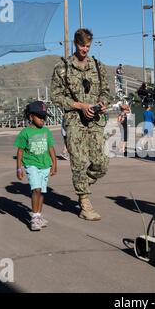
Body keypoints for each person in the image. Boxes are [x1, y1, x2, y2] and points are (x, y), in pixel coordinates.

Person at [50, 28, 110, 221]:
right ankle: (85, 202)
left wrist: (103, 102)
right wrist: (79, 105)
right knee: (79, 163)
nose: (85, 49)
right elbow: (55, 96)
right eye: (82, 45)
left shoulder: (97, 66)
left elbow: (106, 91)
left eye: (88, 46)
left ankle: (83, 185)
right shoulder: (63, 68)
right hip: (75, 121)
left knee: (101, 164)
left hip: (95, 120)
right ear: (75, 44)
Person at [15, 101, 57, 231]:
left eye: (44, 117)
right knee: (36, 189)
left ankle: (38, 215)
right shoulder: (25, 132)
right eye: (39, 116)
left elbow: (51, 148)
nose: (42, 120)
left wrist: (54, 164)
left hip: (45, 165)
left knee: (42, 192)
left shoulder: (46, 131)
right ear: (31, 116)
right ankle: (34, 219)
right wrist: (19, 168)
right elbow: (20, 151)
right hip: (31, 164)